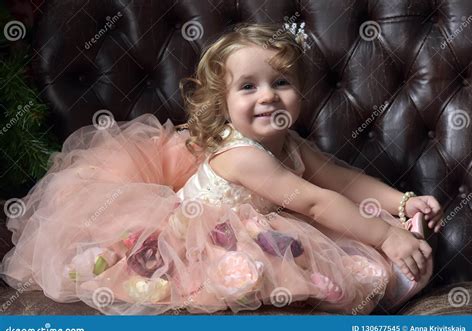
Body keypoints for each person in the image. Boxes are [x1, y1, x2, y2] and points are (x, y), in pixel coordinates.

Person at [1, 23, 443, 315]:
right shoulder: (242, 155)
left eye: (281, 83)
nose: (268, 95)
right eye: (249, 87)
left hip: (256, 224)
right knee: (256, 259)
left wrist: (400, 200)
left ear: (300, 92)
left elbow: (339, 179)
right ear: (224, 103)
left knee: (307, 241)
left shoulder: (289, 143)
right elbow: (313, 199)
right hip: (199, 234)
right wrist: (386, 234)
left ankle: (384, 271)